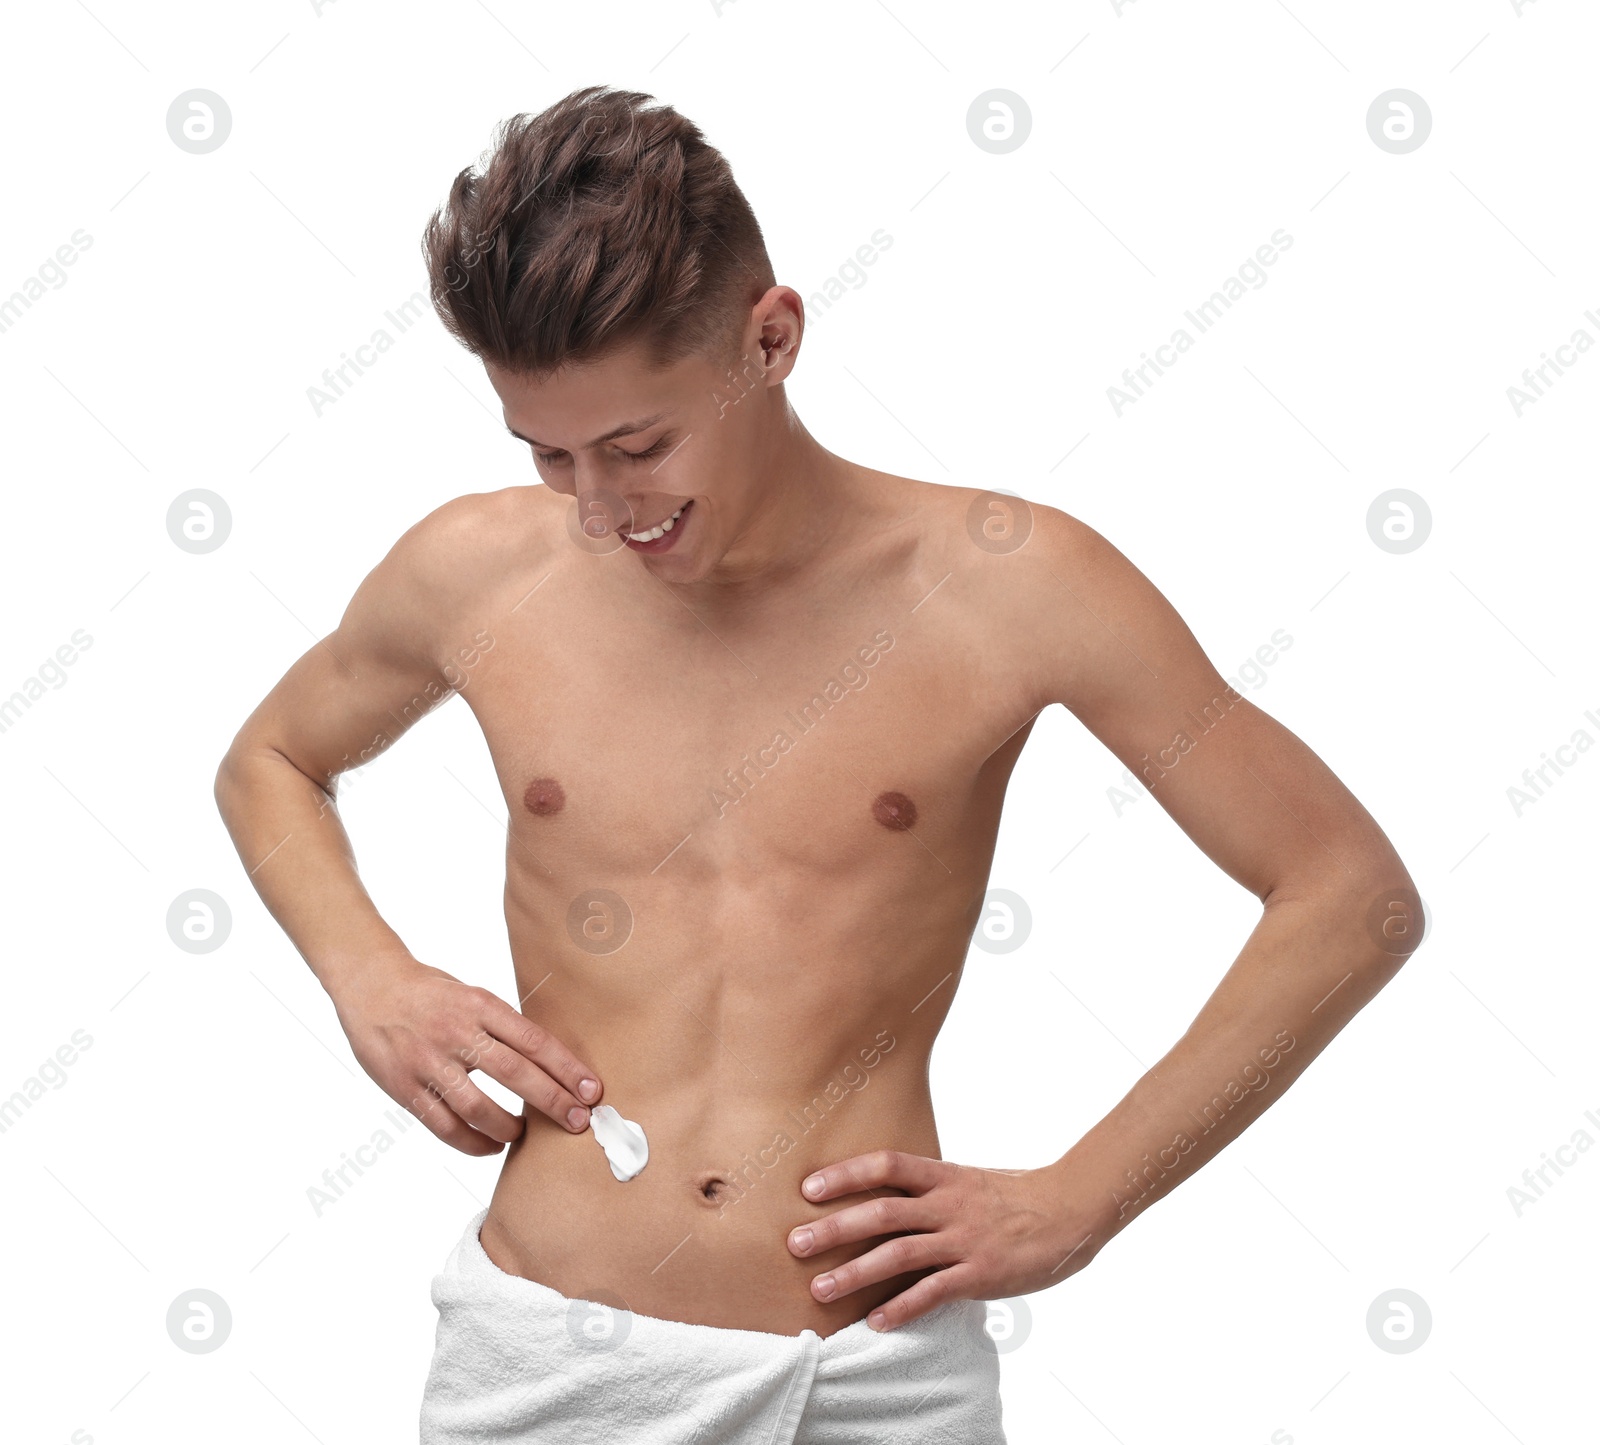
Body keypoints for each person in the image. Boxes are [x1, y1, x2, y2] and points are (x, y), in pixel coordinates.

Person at [213, 84, 1423, 1444]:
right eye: (549, 454)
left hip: (874, 1376)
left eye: (638, 446)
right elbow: (269, 756)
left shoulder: (1005, 587)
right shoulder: (475, 571)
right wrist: (369, 973)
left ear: (770, 338)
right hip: (550, 1358)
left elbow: (1347, 893)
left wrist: (1081, 1198)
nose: (601, 511)